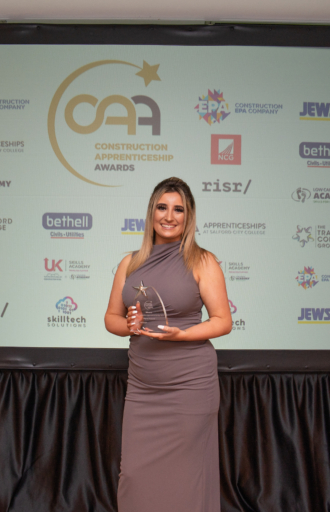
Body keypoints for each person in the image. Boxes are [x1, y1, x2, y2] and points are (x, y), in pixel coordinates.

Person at [104, 177, 232, 512]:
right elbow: (111, 320)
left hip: (189, 387)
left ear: (189, 217)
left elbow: (222, 321)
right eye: (163, 207)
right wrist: (129, 326)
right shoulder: (129, 263)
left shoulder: (203, 261)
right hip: (143, 388)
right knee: (133, 475)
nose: (170, 216)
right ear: (151, 213)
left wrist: (182, 334)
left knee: (186, 480)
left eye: (179, 209)